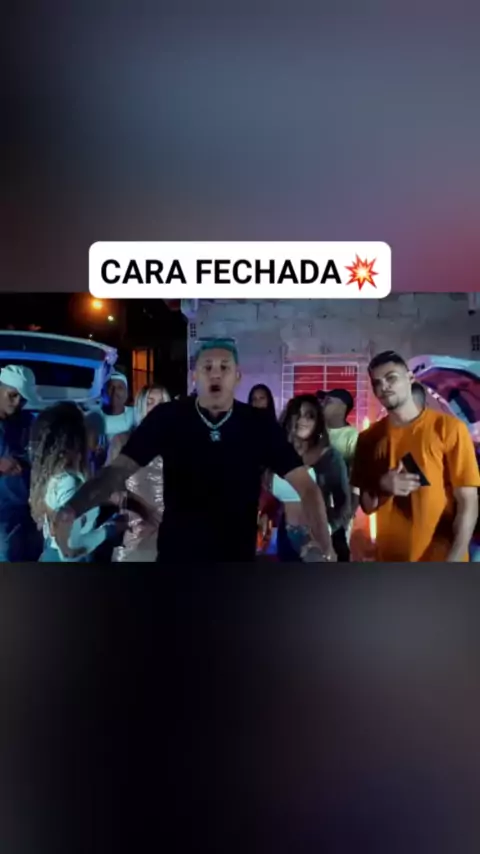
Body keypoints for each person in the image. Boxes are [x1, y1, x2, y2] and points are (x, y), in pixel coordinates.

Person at [51, 339, 335, 563]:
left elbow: (306, 486)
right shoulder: (168, 417)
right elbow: (117, 471)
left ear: (237, 376)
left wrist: (325, 543)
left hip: (235, 559)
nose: (216, 373)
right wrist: (72, 508)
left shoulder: (258, 424)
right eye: (207, 367)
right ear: (195, 375)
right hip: (177, 557)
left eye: (224, 367)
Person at [351, 350, 480, 562]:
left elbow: (468, 501)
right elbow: (367, 505)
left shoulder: (448, 429)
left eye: (391, 378)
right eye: (377, 383)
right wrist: (383, 486)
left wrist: (455, 558)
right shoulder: (368, 438)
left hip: (441, 560)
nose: (384, 387)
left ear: (410, 378)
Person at [29, 402, 128, 562]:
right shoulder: (69, 482)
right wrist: (110, 530)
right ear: (75, 438)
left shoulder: (59, 476)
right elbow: (71, 549)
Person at [274, 395, 351, 561]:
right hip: (287, 539)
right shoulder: (280, 455)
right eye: (298, 414)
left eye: (309, 416)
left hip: (324, 539)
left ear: (318, 422)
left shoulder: (331, 458)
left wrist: (324, 531)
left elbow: (345, 506)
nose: (302, 420)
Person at [109, 384, 170, 562]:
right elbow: (110, 489)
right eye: (150, 402)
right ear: (140, 406)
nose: (157, 408)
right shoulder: (122, 441)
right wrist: (139, 513)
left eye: (162, 403)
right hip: (137, 531)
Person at [0, 365, 42, 561]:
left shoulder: (28, 422)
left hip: (28, 511)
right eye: (12, 395)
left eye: (23, 399)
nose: (17, 402)